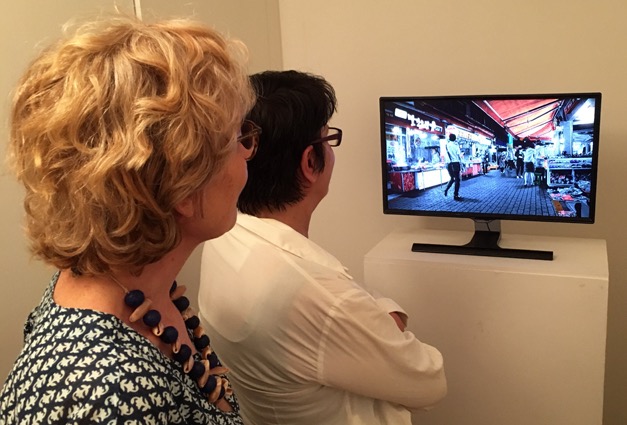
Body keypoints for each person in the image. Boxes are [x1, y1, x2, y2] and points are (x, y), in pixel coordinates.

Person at [0, 16, 259, 424]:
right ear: (182, 186)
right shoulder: (108, 396)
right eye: (239, 138)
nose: (247, 153)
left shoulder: (136, 286)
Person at [199, 70, 447, 425]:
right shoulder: (320, 297)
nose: (331, 151)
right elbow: (430, 382)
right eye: (328, 138)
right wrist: (384, 320)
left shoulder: (223, 238)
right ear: (310, 162)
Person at [443, 133, 463, 200]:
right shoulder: (456, 145)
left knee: (452, 178)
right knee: (457, 180)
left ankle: (446, 189)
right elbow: (459, 155)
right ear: (455, 138)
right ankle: (455, 195)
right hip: (455, 163)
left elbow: (445, 155)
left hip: (449, 164)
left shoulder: (446, 145)